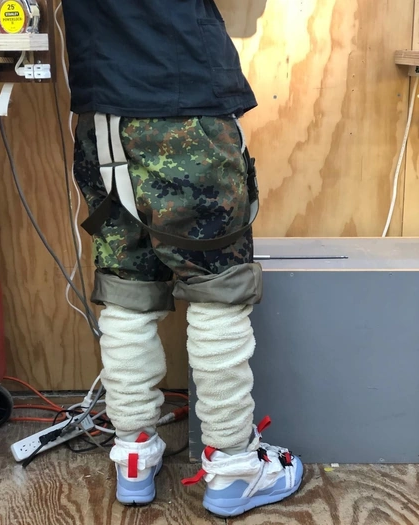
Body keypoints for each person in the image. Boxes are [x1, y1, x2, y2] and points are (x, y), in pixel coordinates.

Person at [61, 0, 303, 518]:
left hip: (100, 120)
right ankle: (234, 465)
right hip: (185, 106)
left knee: (128, 287)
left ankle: (133, 454)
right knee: (218, 289)